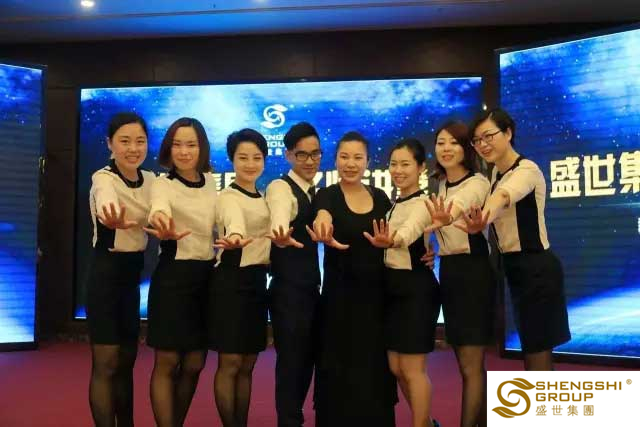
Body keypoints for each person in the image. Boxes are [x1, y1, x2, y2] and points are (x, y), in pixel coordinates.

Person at [457, 108, 571, 371]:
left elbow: (504, 196)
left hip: (537, 267)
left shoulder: (526, 169)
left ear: (508, 133)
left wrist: (483, 218)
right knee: (531, 344)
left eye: (489, 136)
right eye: (477, 140)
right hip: (515, 267)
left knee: (537, 348)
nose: (483, 145)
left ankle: (541, 397)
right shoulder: (495, 174)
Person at [144, 117, 236, 427]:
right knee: (168, 361)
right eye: (178, 145)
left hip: (206, 278)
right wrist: (160, 220)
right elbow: (158, 208)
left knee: (195, 363)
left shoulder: (210, 182)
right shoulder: (162, 183)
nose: (184, 151)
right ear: (169, 149)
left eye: (191, 145)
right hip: (173, 278)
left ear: (202, 148)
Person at [308, 131, 396, 427]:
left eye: (358, 157)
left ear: (367, 162)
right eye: (344, 157)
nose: (350, 163)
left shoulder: (380, 197)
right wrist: (323, 226)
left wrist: (427, 252)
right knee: (338, 370)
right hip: (339, 300)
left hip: (376, 299)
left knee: (373, 369)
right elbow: (322, 215)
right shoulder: (327, 194)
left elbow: (397, 232)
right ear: (335, 160)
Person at [364, 138, 441, 427]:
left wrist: (392, 240)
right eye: (394, 164)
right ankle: (428, 423)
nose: (398, 170)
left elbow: (408, 232)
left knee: (412, 369)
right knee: (396, 367)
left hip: (416, 292)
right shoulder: (393, 204)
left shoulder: (423, 203)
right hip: (393, 292)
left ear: (421, 168)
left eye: (405, 164)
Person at [423, 121, 495, 427]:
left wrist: (444, 218)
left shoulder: (478, 182)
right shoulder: (440, 185)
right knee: (467, 364)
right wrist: (429, 246)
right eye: (441, 142)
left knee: (470, 365)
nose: (446, 148)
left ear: (466, 148)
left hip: (473, 274)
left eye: (454, 142)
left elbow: (457, 207)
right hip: (451, 273)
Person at [86, 112, 154, 427]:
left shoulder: (151, 180)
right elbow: (105, 201)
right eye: (124, 141)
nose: (133, 148)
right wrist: (109, 215)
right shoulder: (104, 178)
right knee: (106, 363)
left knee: (127, 361)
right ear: (109, 144)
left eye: (140, 141)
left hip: (131, 276)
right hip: (105, 274)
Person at [208, 128, 271, 427]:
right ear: (232, 160)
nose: (250, 164)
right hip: (231, 282)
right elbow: (234, 223)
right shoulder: (227, 197)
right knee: (230, 361)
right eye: (243, 157)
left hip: (257, 283)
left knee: (248, 363)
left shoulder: (266, 197)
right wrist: (235, 236)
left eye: (256, 157)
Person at [265, 122, 322, 427]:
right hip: (288, 292)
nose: (310, 161)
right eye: (302, 154)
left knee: (306, 360)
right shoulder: (280, 187)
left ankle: (294, 417)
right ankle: (288, 421)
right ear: (288, 155)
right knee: (291, 363)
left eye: (315, 154)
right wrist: (279, 233)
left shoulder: (315, 192)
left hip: (309, 291)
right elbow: (279, 213)